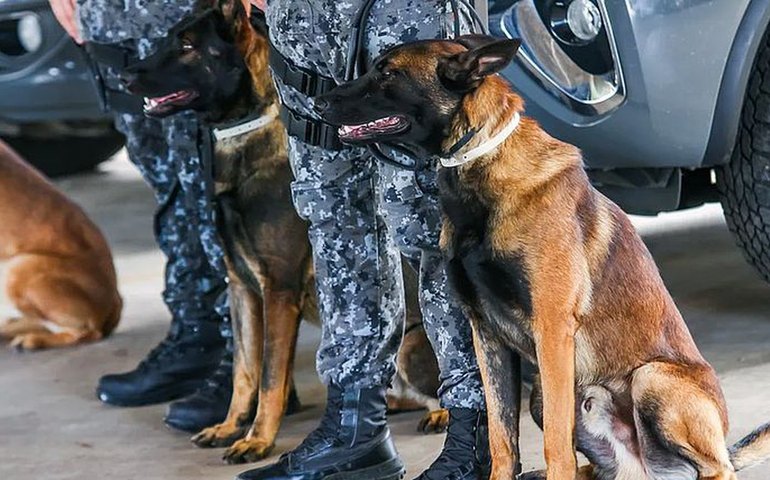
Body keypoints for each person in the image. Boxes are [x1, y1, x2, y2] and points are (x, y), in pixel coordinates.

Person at [238, 1, 491, 479]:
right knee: (335, 219)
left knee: (438, 233)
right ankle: (354, 432)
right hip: (303, 23)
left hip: (404, 15)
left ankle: (474, 437)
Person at [48, 0, 234, 433]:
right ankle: (196, 333)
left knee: (213, 183)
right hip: (111, 23)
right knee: (166, 182)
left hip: (185, 19)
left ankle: (246, 355)